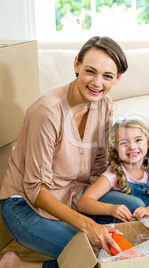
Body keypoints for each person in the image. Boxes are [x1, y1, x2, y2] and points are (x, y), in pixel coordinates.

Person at [0, 36, 140, 268]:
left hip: (73, 195)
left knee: (140, 212)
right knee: (98, 253)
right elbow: (35, 189)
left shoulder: (105, 106)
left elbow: (97, 167)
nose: (97, 83)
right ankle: (17, 265)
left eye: (107, 76)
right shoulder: (47, 112)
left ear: (117, 78)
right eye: (90, 71)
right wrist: (88, 225)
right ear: (76, 65)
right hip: (25, 207)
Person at [77, 119, 149, 221]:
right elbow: (83, 203)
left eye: (138, 140)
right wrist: (111, 209)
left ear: (148, 144)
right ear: (115, 149)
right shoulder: (113, 173)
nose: (132, 147)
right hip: (129, 224)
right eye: (123, 143)